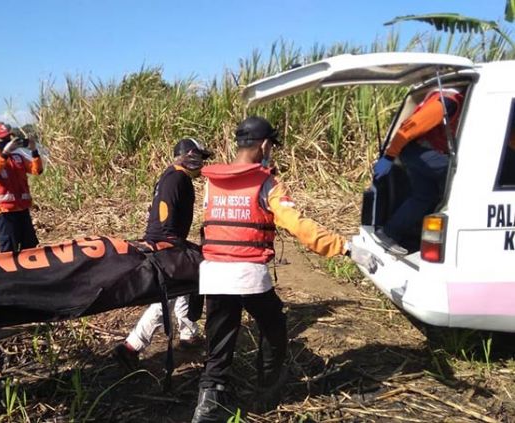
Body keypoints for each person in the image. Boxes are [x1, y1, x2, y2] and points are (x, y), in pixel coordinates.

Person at [190, 116, 379, 422]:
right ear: (264, 145)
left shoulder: (213, 182)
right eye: (271, 147)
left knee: (220, 338)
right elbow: (297, 225)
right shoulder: (268, 184)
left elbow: (210, 225)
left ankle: (208, 405)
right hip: (248, 274)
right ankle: (267, 387)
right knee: (274, 325)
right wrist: (344, 247)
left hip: (214, 272)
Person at [112, 138, 211, 370]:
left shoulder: (176, 177)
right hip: (165, 245)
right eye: (199, 156)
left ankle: (188, 333)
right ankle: (131, 346)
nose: (202, 163)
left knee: (187, 284)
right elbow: (164, 216)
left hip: (167, 242)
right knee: (167, 296)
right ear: (188, 154)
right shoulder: (176, 178)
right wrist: (171, 246)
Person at [372, 88, 464, 255]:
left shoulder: (453, 99)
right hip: (418, 151)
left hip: (418, 151)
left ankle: (389, 233)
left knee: (424, 196)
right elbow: (408, 128)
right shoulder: (448, 101)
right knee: (463, 174)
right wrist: (389, 157)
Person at [0, 123, 43, 252]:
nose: (7, 141)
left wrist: (34, 150)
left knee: (30, 246)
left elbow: (37, 170)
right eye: (3, 139)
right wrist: (5, 154)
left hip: (22, 209)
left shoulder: (17, 158)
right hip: (5, 213)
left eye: (9, 138)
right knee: (9, 249)